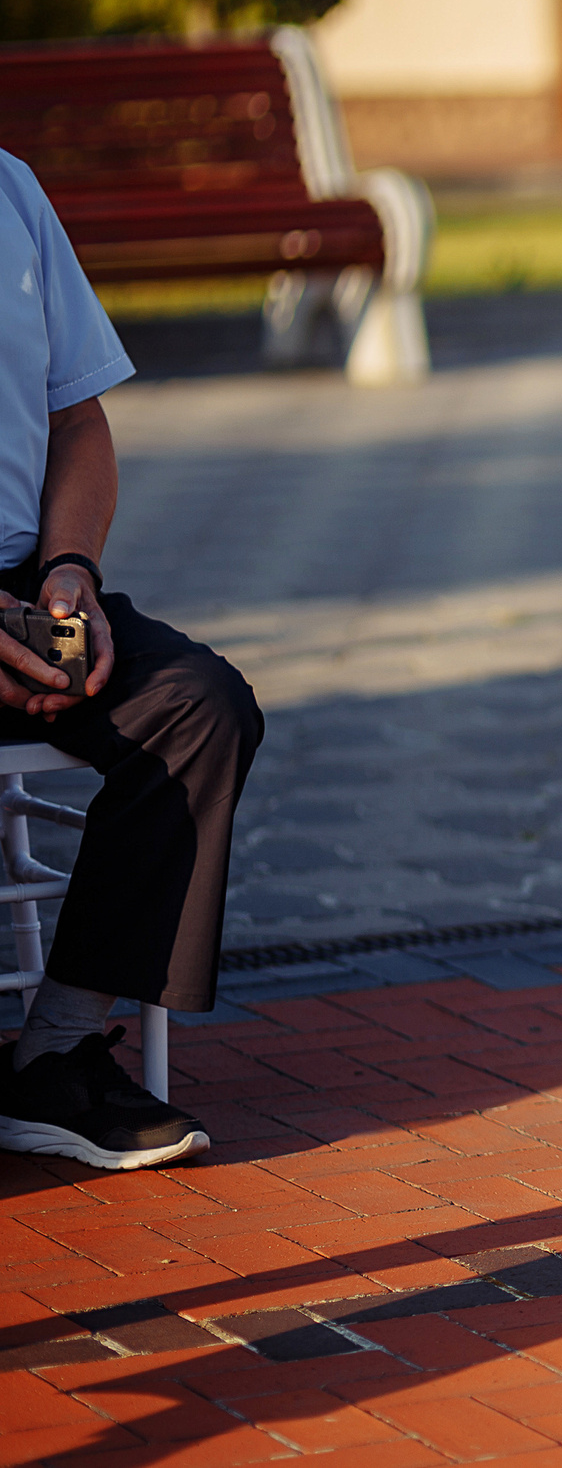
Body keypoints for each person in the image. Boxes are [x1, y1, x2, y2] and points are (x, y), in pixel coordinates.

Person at [0, 156, 264, 1171]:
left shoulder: (11, 191)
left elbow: (76, 417)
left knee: (201, 706)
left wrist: (68, 574)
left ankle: (54, 1055)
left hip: (26, 581)